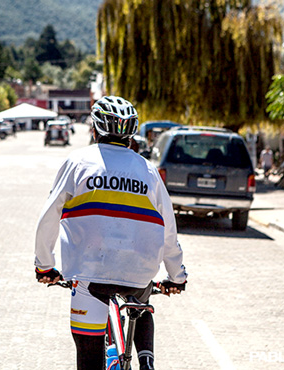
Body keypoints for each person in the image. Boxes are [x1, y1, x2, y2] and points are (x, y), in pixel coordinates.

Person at [34, 95, 188, 370]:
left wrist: (45, 266)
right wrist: (177, 276)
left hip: (88, 272)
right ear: (131, 135)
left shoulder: (78, 161)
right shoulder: (149, 171)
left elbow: (49, 218)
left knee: (89, 356)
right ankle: (146, 362)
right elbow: (168, 230)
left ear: (94, 129)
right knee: (141, 300)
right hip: (139, 271)